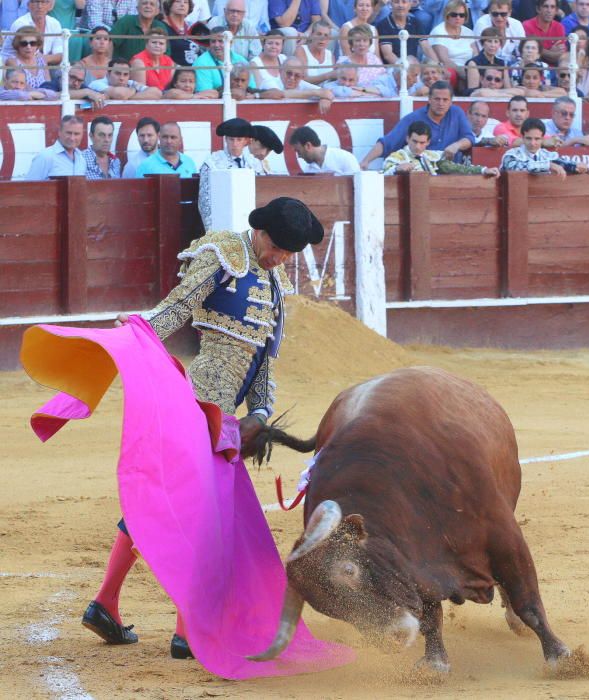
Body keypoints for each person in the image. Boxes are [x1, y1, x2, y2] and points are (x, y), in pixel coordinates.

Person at [82, 195, 324, 658]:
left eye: (290, 253)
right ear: (261, 232)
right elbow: (179, 305)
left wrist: (259, 414)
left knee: (172, 502)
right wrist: (141, 327)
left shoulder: (274, 285)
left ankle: (108, 603)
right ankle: (184, 629)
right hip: (198, 399)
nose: (282, 258)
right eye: (279, 248)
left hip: (227, 415)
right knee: (202, 513)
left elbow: (264, 360)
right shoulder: (224, 253)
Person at [360, 81, 475, 169]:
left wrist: (456, 145)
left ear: (451, 101)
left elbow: (469, 138)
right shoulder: (413, 118)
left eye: (445, 100)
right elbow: (387, 143)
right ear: (429, 99)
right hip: (422, 171)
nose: (441, 104)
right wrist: (365, 161)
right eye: (437, 99)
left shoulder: (456, 113)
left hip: (450, 171)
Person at [382, 120, 500, 176]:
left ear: (428, 142)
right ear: (407, 139)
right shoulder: (396, 157)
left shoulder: (432, 157)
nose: (418, 147)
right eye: (414, 141)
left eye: (422, 142)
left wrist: (483, 170)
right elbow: (382, 176)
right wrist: (396, 169)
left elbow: (458, 168)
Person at [198, 118, 255, 230]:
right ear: (225, 139)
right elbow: (204, 199)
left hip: (248, 219)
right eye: (231, 139)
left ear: (246, 141)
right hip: (222, 219)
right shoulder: (212, 162)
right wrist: (211, 229)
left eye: (239, 139)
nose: (234, 144)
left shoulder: (254, 163)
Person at [501, 117, 589, 179]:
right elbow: (518, 168)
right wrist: (548, 165)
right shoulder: (511, 155)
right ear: (522, 137)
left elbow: (563, 163)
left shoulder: (547, 155)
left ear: (543, 139)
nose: (533, 143)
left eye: (537, 139)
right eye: (528, 138)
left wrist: (576, 166)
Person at [193, 26, 255, 93]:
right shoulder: (201, 63)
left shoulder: (241, 60)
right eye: (213, 41)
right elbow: (205, 95)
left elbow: (251, 89)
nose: (216, 45)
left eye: (221, 41)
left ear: (230, 42)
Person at [425, 0, 475, 82]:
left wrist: (472, 71)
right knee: (451, 74)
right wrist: (464, 74)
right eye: (454, 15)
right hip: (449, 69)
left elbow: (476, 55)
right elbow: (444, 60)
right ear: (447, 15)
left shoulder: (469, 32)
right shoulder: (438, 31)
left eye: (462, 15)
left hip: (468, 69)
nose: (458, 18)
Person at [26, 115, 87, 180]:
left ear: (82, 134)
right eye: (69, 133)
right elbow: (29, 188)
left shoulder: (82, 158)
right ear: (59, 132)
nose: (72, 138)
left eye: (76, 134)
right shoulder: (45, 156)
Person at [2, 0, 63, 64]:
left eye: (43, 2)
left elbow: (60, 55)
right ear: (29, 5)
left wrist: (44, 59)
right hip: (11, 64)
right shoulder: (20, 24)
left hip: (40, 64)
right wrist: (47, 58)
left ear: (49, 6)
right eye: (36, 2)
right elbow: (27, 57)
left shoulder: (55, 23)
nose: (39, 6)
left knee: (63, 69)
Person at [289, 125, 361, 174]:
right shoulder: (308, 170)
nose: (299, 156)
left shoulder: (345, 158)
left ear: (308, 146)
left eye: (298, 151)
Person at [337, 24, 388, 89]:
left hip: (377, 96)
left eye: (365, 40)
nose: (361, 44)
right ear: (351, 43)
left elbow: (385, 82)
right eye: (358, 40)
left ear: (369, 43)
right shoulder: (343, 62)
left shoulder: (374, 59)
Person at [377, 0, 427, 65]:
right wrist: (404, 69)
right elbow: (388, 55)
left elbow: (426, 47)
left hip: (413, 68)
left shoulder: (416, 22)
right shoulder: (383, 25)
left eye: (404, 2)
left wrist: (438, 64)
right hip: (393, 68)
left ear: (409, 5)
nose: (400, 5)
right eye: (396, 2)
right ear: (391, 5)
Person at [89, 56, 163, 99]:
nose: (122, 78)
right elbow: (120, 94)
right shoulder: (96, 84)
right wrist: (134, 90)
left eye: (125, 74)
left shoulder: (130, 83)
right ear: (108, 74)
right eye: (118, 73)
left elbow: (157, 93)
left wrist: (128, 96)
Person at [465, 27, 511, 93]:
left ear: (499, 45)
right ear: (483, 43)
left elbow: (508, 88)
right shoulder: (473, 63)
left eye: (496, 42)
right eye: (489, 41)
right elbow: (473, 91)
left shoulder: (502, 63)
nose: (492, 45)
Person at [522, 0, 566, 66]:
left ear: (556, 11)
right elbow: (530, 54)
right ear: (538, 9)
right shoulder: (527, 25)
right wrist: (550, 51)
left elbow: (560, 56)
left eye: (552, 7)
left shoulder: (559, 27)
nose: (549, 10)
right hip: (533, 68)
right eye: (546, 6)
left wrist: (539, 50)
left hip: (554, 70)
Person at [563, 24, 589, 96]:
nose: (579, 41)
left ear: (588, 42)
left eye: (582, 38)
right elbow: (571, 81)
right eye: (576, 38)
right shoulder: (565, 57)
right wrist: (579, 59)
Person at [295, 18, 335, 84]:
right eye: (319, 34)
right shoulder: (301, 50)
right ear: (311, 35)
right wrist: (328, 75)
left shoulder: (330, 55)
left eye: (326, 35)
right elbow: (302, 80)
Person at [160, 0, 198, 66]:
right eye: (178, 1)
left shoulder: (192, 27)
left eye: (186, 2)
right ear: (169, 5)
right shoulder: (161, 27)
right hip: (174, 72)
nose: (182, 4)